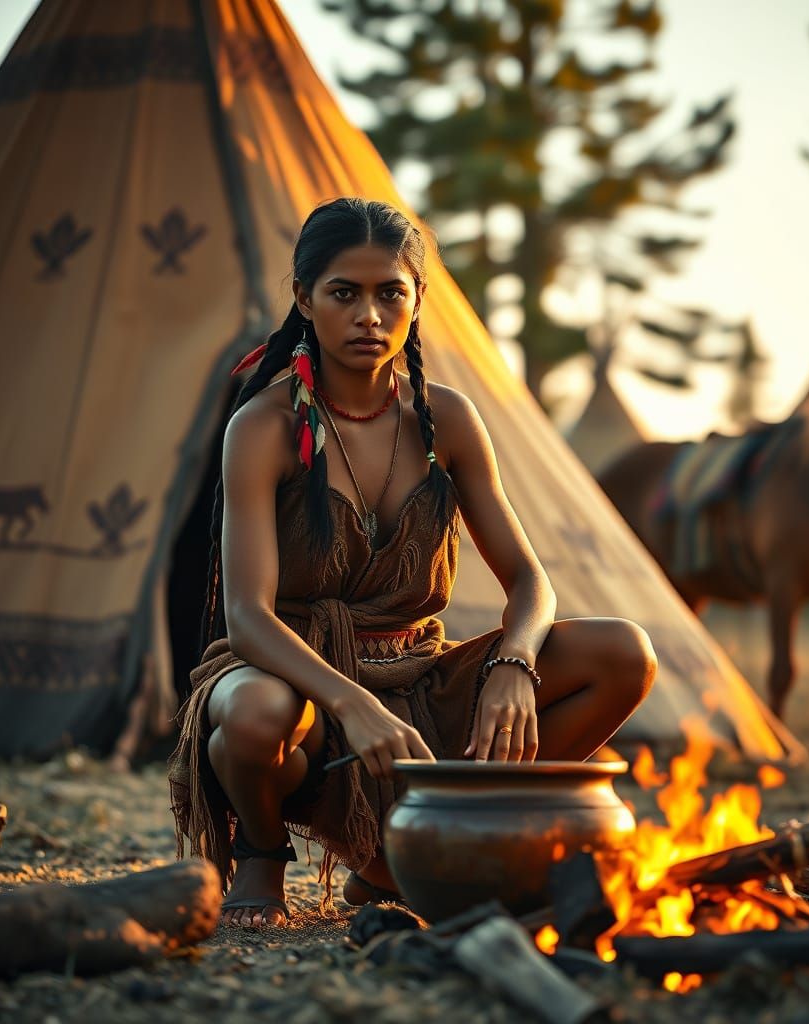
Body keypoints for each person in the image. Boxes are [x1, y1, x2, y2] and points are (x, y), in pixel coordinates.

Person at [169, 198, 658, 927]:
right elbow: (247, 617)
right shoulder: (264, 427)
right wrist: (352, 704)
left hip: (421, 681)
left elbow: (529, 581)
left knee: (624, 652)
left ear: (418, 300)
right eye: (344, 293)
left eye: (390, 292)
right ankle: (263, 855)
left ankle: (433, 839)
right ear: (305, 299)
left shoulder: (448, 419)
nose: (369, 314)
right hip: (293, 674)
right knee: (255, 714)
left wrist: (513, 666)